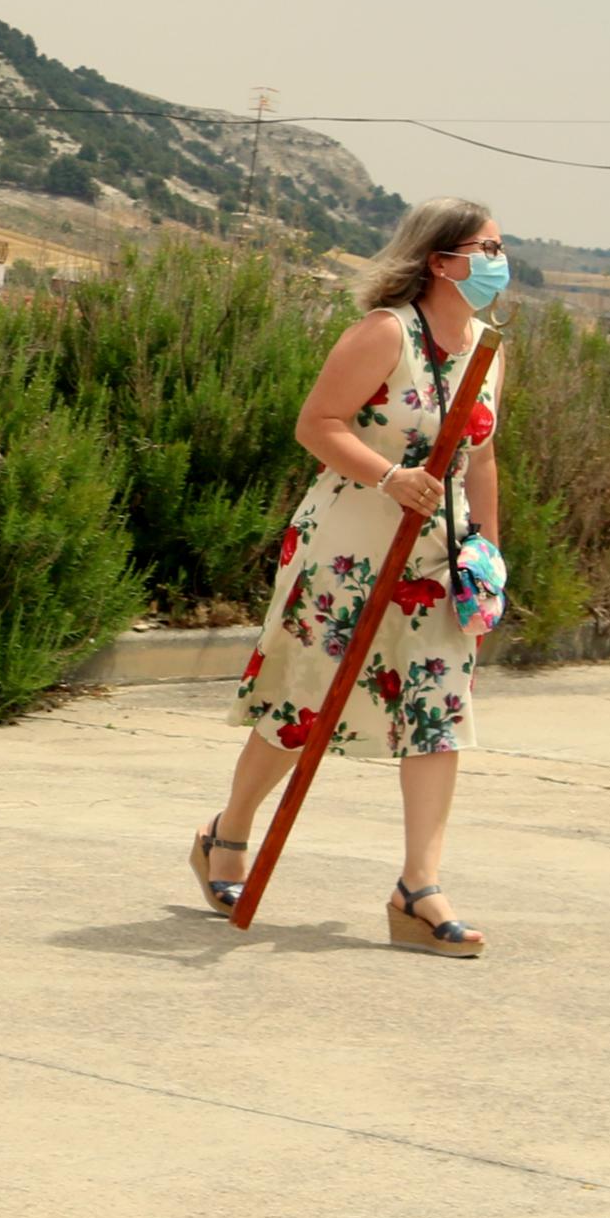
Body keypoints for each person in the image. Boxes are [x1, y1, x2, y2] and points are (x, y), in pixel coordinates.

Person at [192, 199, 510, 957]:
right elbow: (317, 423)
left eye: (502, 245)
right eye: (485, 246)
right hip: (350, 545)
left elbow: (483, 457)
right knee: (306, 697)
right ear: (439, 259)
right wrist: (389, 476)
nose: (500, 259)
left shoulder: (488, 348)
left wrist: (489, 556)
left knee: (438, 706)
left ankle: (418, 888)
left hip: (440, 553)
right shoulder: (384, 333)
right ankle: (226, 834)